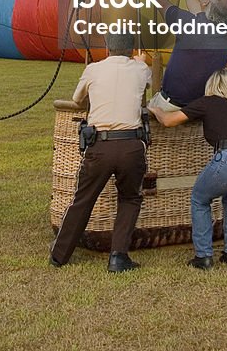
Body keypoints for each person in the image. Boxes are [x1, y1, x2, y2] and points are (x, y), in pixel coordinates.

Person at [50, 30, 151, 272]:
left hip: (100, 144)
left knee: (82, 200)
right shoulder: (140, 69)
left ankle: (59, 254)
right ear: (131, 49)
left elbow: (78, 99)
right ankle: (118, 256)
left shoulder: (93, 69)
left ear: (107, 48)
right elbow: (149, 85)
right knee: (130, 198)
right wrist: (142, 62)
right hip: (131, 144)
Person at [150, 68, 227, 269]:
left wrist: (155, 108)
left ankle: (203, 257)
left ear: (211, 86)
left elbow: (169, 121)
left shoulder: (208, 102)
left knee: (200, 198)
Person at [148, 0, 227, 113]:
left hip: (172, 106)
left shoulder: (190, 26)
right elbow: (200, 14)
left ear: (206, 4)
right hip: (200, 106)